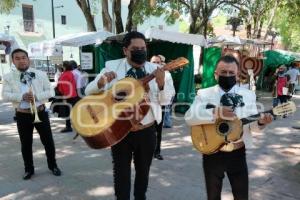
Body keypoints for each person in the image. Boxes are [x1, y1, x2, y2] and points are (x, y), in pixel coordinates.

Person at [85, 31, 172, 200]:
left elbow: (166, 101)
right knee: (121, 172)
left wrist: (161, 84)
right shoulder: (111, 66)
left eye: (143, 48)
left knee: (143, 171)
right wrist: (100, 82)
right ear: (125, 50)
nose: (140, 51)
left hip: (147, 131)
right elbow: (88, 91)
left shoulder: (157, 70)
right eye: (135, 48)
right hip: (119, 131)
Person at [184, 55, 272, 200]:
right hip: (211, 151)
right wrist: (215, 111)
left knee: (241, 195)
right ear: (216, 74)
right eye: (223, 72)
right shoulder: (204, 94)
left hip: (237, 152)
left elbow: (252, 127)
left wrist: (261, 123)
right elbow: (189, 117)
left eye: (231, 73)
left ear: (238, 75)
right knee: (213, 196)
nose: (228, 76)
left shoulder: (248, 95)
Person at [2, 48, 61, 180]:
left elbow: (51, 92)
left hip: (40, 112)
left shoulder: (40, 74)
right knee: (26, 144)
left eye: (24, 57)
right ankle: (29, 169)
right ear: (13, 61)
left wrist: (36, 96)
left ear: (28, 59)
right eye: (17, 58)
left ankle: (53, 166)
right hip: (22, 115)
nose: (21, 60)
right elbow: (5, 95)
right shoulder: (8, 77)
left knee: (48, 142)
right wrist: (21, 97)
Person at [150, 55, 175, 160]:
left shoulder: (167, 75)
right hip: (145, 107)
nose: (156, 64)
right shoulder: (145, 73)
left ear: (161, 63)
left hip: (160, 106)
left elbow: (172, 91)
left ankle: (157, 152)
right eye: (153, 62)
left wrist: (162, 88)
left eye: (158, 62)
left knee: (158, 131)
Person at [57, 61, 79, 133]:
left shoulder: (65, 74)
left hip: (67, 96)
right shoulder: (70, 73)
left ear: (65, 67)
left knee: (67, 112)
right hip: (73, 95)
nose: (62, 67)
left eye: (62, 66)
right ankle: (77, 126)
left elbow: (63, 86)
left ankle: (68, 127)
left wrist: (64, 96)